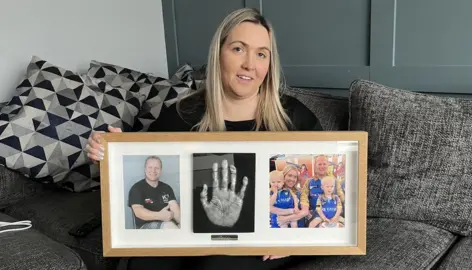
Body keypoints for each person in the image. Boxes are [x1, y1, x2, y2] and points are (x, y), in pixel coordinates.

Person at [86, 7, 321, 270]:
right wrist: (107, 154)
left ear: (269, 63)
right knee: (143, 264)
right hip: (194, 231)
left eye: (261, 54)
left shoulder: (295, 118)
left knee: (216, 266)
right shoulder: (182, 114)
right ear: (218, 54)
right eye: (238, 49)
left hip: (268, 239)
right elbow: (145, 166)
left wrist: (295, 239)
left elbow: (318, 196)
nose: (249, 65)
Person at [128, 156, 181, 229]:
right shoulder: (136, 188)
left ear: (161, 170)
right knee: (169, 226)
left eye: (157, 168)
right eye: (150, 167)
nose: (153, 170)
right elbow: (138, 211)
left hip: (167, 223)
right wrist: (160, 215)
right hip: (145, 227)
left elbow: (174, 207)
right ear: (145, 169)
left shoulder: (167, 188)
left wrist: (181, 223)